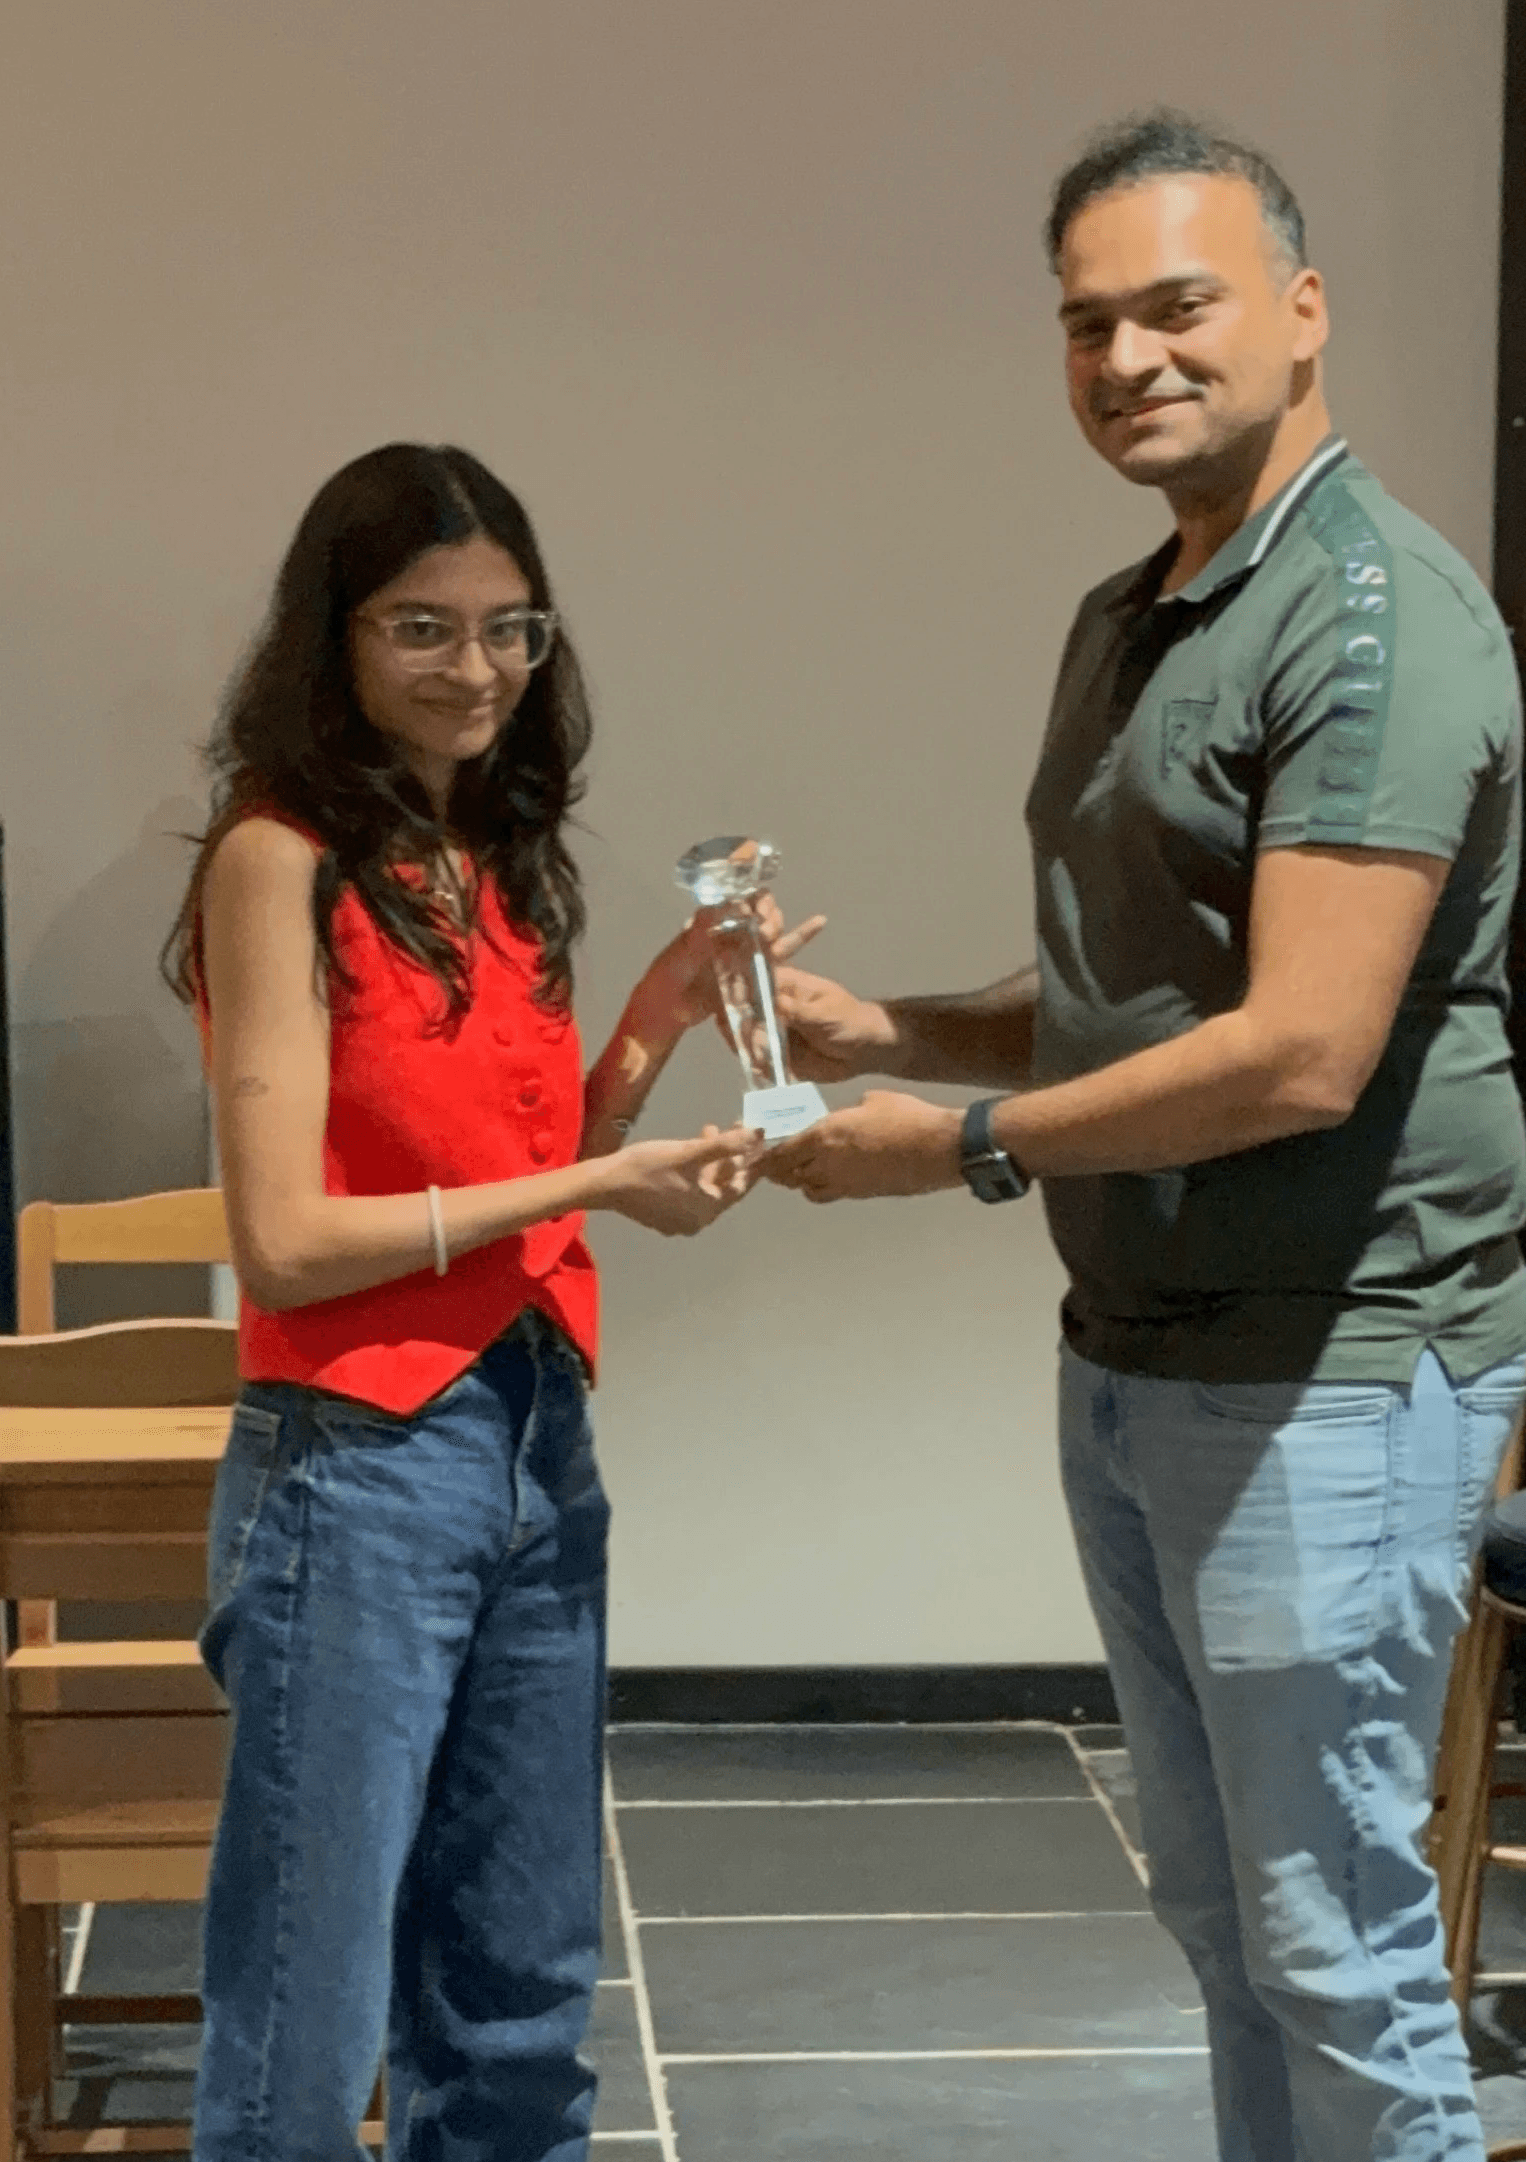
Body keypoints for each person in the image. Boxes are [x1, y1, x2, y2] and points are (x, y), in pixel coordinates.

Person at [765, 111, 1526, 2162]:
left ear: (1296, 309)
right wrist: (896, 1024)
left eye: (1173, 306)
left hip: (1327, 1370)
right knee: (1223, 1919)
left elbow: (1294, 1047)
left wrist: (960, 1137)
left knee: (1328, 1934)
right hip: (1137, 1357)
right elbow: (1143, 978)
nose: (1126, 357)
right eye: (1084, 322)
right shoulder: (1139, 608)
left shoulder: (1372, 616)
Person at [162, 442, 812, 2162]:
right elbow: (291, 1241)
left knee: (518, 1991)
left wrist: (655, 1028)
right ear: (338, 636)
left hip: (533, 1428)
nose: (476, 670)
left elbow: (519, 1162)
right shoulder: (277, 858)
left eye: (511, 628)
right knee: (303, 2017)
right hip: (353, 1459)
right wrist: (600, 1187)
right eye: (422, 628)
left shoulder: (494, 858)